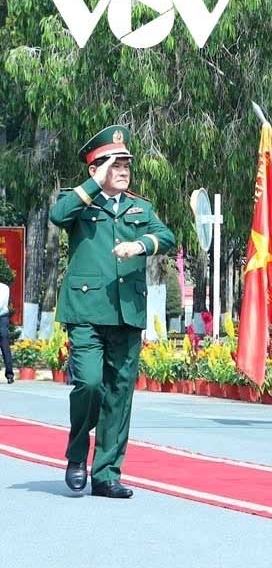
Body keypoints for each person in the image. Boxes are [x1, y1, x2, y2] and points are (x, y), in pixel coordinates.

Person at [50, 124, 176, 497]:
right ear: (94, 169)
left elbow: (166, 236)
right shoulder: (79, 203)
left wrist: (141, 245)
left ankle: (106, 474)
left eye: (125, 165)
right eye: (113, 164)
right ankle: (76, 453)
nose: (122, 171)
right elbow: (58, 216)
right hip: (86, 312)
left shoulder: (141, 207)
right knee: (89, 384)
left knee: (120, 392)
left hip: (126, 313)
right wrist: (93, 185)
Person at [0, 275, 12, 384]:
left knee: (4, 345)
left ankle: (9, 374)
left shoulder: (4, 288)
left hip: (2, 318)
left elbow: (1, 304)